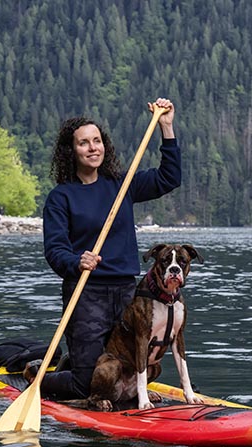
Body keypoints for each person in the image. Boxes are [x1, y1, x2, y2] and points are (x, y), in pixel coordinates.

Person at [30, 97, 180, 400]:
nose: (92, 147)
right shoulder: (61, 197)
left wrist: (166, 127)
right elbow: (55, 250)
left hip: (127, 293)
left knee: (127, 370)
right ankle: (37, 377)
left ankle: (77, 362)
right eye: (84, 143)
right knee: (87, 386)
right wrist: (77, 261)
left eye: (97, 141)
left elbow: (169, 178)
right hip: (86, 294)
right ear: (71, 151)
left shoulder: (121, 185)